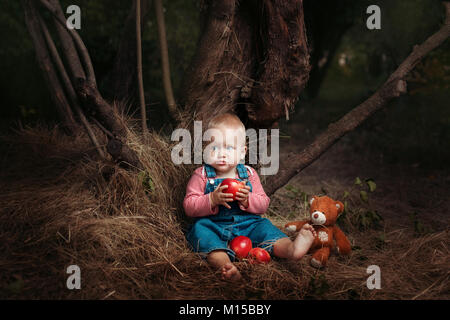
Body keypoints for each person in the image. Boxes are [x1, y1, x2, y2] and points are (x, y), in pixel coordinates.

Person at [183, 113, 316, 280]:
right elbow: (189, 206)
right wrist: (211, 199)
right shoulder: (201, 174)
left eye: (229, 148)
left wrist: (247, 199)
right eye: (215, 148)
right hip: (214, 225)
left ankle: (291, 249)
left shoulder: (248, 174)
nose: (221, 154)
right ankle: (226, 265)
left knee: (266, 229)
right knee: (201, 232)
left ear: (241, 153)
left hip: (249, 224)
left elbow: (263, 204)